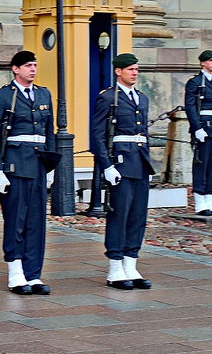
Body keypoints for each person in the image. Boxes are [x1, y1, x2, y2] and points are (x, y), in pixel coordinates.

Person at [0, 50, 57, 295]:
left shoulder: (44, 94)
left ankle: (34, 273)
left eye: (35, 65)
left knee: (36, 223)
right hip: (14, 166)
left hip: (37, 166)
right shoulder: (4, 96)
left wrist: (51, 167)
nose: (33, 69)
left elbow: (50, 134)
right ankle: (16, 272)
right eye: (28, 65)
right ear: (15, 69)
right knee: (16, 221)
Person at [90, 53, 157, 290]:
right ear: (118, 71)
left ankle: (131, 263)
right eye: (130, 69)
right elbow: (97, 135)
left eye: (137, 69)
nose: (135, 73)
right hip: (120, 163)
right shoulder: (108, 98)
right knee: (119, 215)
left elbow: (144, 135)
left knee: (138, 216)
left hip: (139, 162)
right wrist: (106, 166)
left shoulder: (141, 98)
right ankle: (115, 267)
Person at [184, 49, 212, 216]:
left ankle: (210, 199)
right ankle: (200, 202)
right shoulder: (195, 82)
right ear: (202, 63)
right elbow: (190, 107)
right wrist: (197, 128)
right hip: (204, 126)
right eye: (210, 61)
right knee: (201, 164)